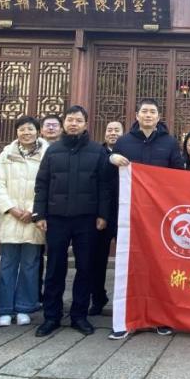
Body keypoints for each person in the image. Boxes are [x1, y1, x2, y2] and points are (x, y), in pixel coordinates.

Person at [32, 105, 111, 338]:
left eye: (78, 120)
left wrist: (103, 215)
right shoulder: (53, 151)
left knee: (85, 268)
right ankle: (51, 316)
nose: (73, 124)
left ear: (85, 124)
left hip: (87, 220)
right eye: (70, 120)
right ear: (64, 123)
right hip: (56, 219)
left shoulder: (97, 151)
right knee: (55, 268)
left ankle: (79, 315)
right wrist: (39, 214)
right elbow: (42, 184)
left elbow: (104, 186)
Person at [108, 99, 185, 339]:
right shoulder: (124, 142)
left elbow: (178, 175)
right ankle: (126, 318)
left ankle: (161, 318)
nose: (148, 115)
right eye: (145, 111)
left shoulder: (169, 142)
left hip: (160, 215)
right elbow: (108, 176)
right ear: (137, 115)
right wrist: (111, 159)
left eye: (153, 112)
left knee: (160, 266)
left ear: (159, 117)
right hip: (130, 214)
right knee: (130, 264)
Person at [0, 116, 48, 327]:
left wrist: (33, 210)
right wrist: (11, 208)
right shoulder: (6, 154)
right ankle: (5, 309)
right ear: (16, 132)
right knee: (7, 264)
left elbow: (48, 184)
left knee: (30, 265)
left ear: (38, 131)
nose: (26, 133)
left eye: (30, 129)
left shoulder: (47, 154)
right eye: (22, 129)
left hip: (33, 218)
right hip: (11, 216)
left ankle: (25, 307)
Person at [89, 120, 124, 317]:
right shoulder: (97, 152)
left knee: (126, 259)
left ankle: (124, 299)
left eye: (117, 130)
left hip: (125, 213)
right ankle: (98, 298)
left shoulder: (128, 152)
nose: (113, 133)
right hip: (102, 214)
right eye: (109, 130)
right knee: (98, 259)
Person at [36, 113, 63, 301]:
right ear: (41, 130)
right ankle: (34, 294)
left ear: (61, 129)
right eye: (48, 125)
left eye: (55, 125)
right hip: (36, 208)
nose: (51, 128)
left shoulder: (65, 148)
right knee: (35, 255)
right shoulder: (31, 149)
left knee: (55, 257)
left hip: (59, 210)